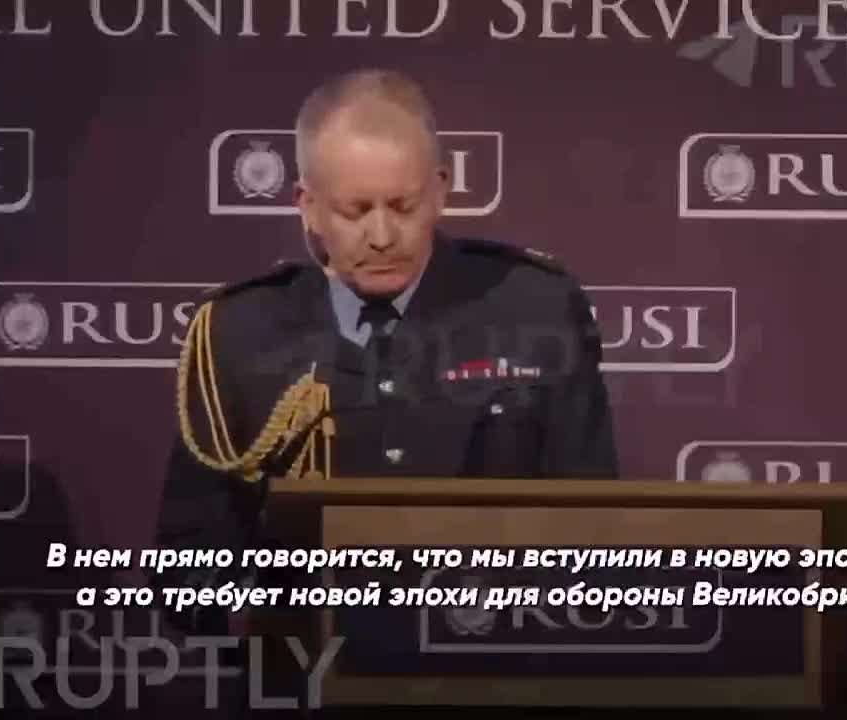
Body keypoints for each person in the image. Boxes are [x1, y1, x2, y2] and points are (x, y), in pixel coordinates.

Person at [150, 68, 619, 639]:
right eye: (355, 210)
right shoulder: (238, 331)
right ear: (308, 206)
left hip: (493, 659)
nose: (381, 236)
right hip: (306, 668)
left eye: (403, 206)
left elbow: (595, 535)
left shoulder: (535, 308)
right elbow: (186, 573)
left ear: (440, 191)